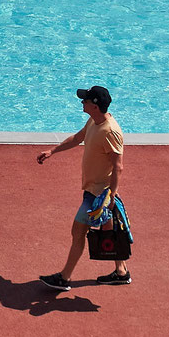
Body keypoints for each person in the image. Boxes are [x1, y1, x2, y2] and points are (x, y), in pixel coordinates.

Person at [35, 86, 131, 290]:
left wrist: (111, 196)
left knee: (78, 231)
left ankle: (64, 277)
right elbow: (78, 138)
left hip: (99, 195)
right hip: (93, 190)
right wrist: (52, 151)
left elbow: (118, 166)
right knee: (111, 232)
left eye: (86, 100)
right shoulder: (94, 121)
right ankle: (121, 272)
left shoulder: (110, 131)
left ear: (95, 106)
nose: (82, 103)